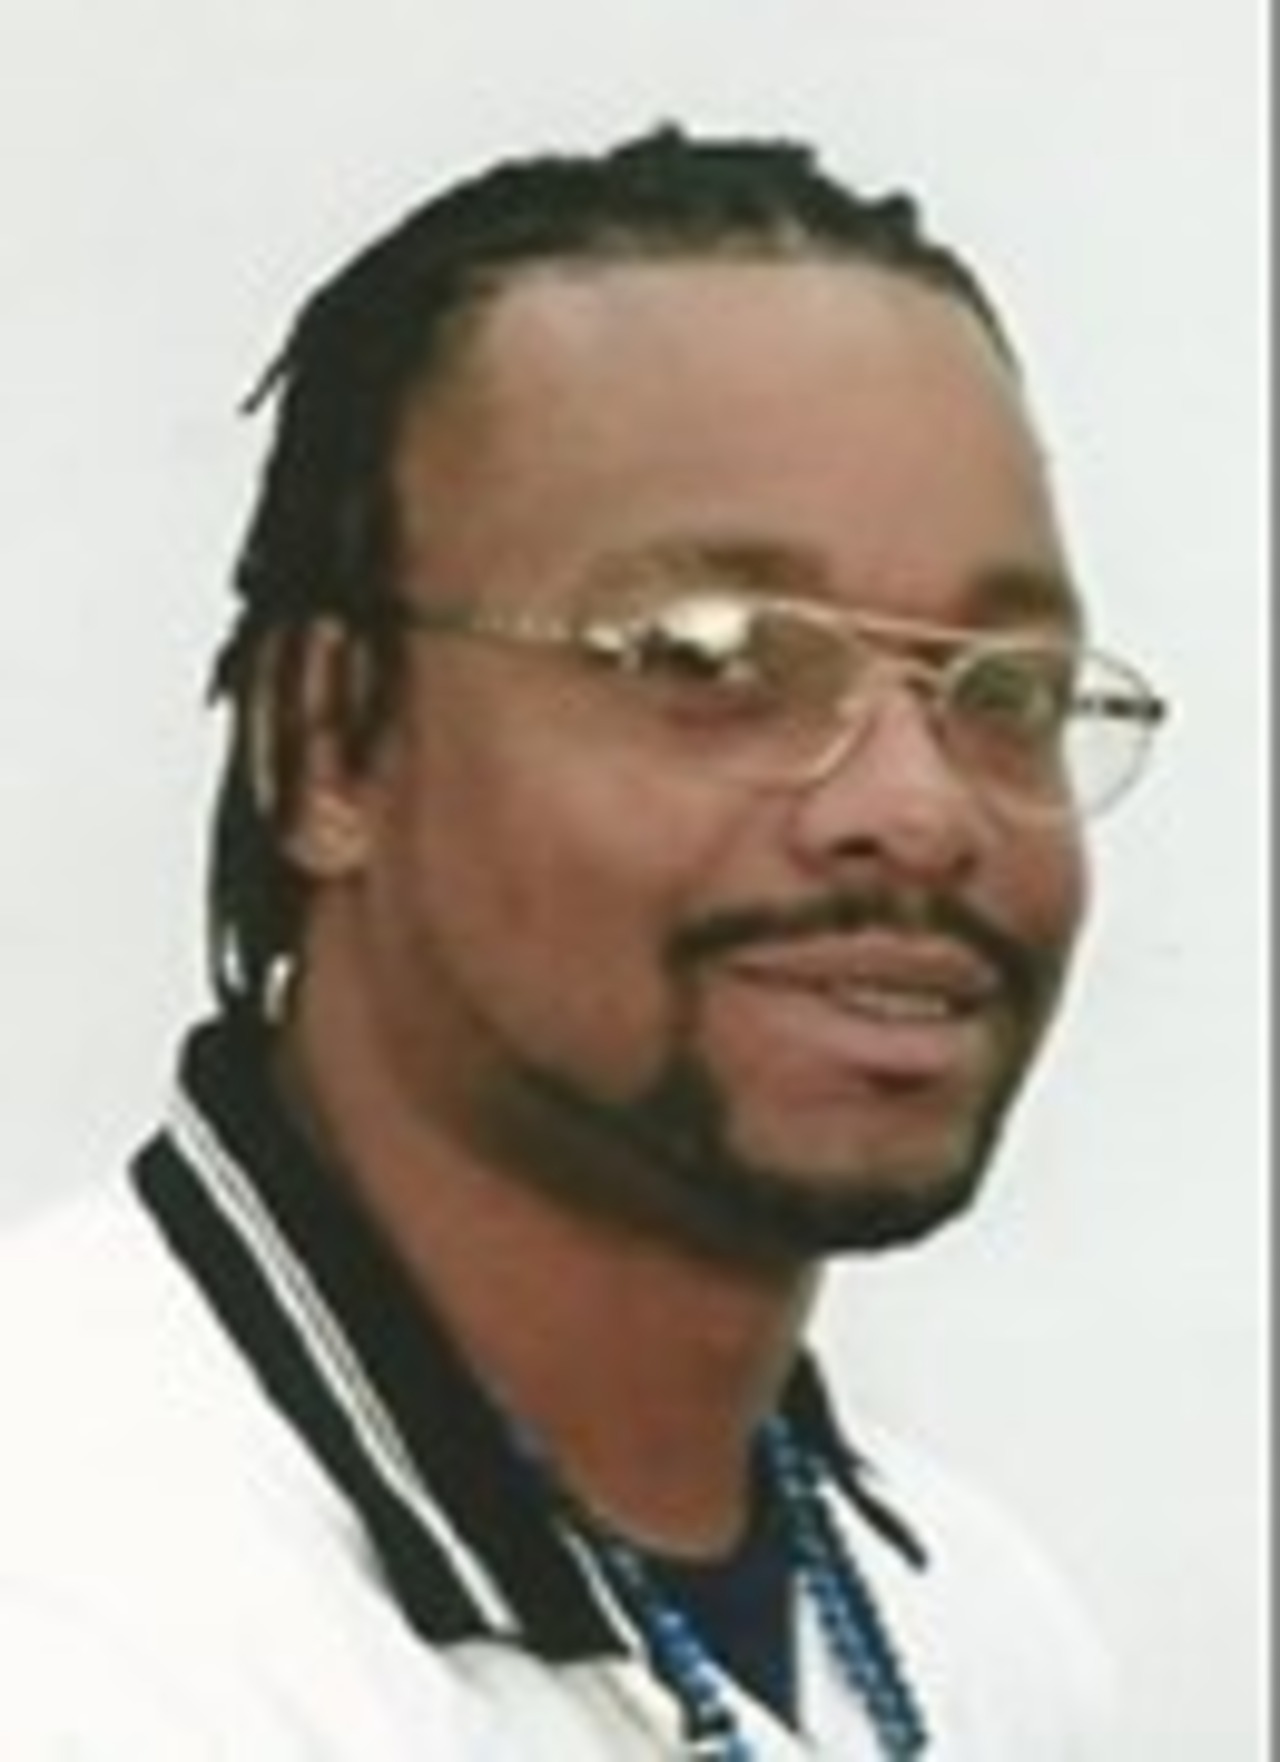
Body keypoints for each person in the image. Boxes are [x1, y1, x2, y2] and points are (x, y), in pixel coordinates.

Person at [0, 126, 1167, 1758]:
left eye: (1008, 687)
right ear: (328, 742)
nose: (920, 809)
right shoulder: (78, 1602)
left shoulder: (968, 1623)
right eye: (713, 656)